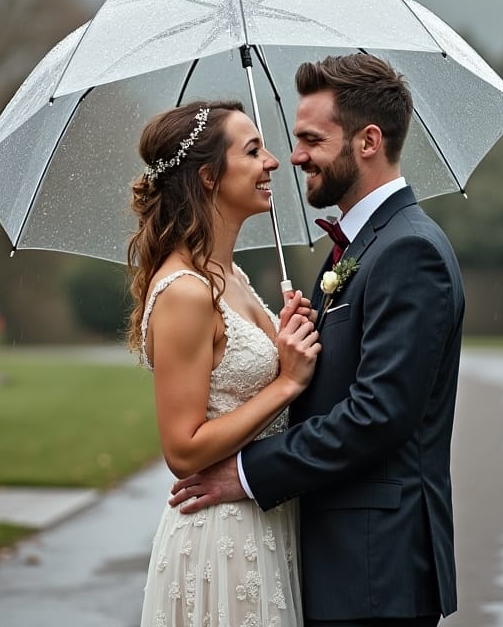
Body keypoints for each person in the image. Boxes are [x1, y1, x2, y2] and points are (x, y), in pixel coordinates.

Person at [168, 54, 466, 627]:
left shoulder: (409, 250)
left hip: (377, 566)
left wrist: (248, 472)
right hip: (342, 559)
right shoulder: (357, 248)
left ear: (368, 141)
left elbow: (378, 414)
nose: (294, 155)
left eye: (311, 139)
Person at [129, 99, 320, 627]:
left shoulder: (231, 277)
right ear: (210, 176)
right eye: (254, 151)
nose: (274, 162)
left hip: (265, 519)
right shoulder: (187, 292)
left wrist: (287, 337)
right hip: (221, 534)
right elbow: (183, 449)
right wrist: (285, 383)